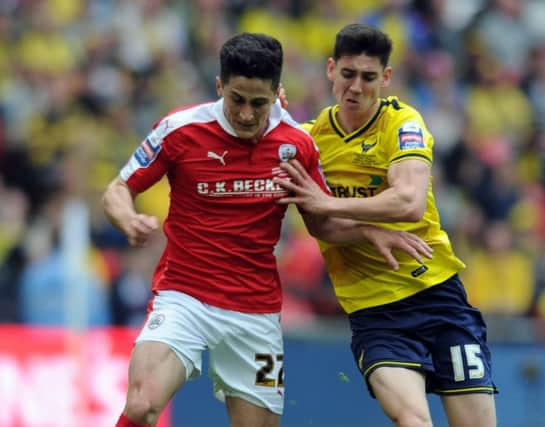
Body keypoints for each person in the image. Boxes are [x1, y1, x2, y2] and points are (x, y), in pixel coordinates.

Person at [103, 32, 431, 427]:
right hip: (183, 297)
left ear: (277, 93)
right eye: (236, 99)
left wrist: (369, 232)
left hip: (254, 313)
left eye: (258, 103)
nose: (245, 114)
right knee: (141, 405)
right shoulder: (180, 130)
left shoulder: (296, 145)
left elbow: (322, 222)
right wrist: (128, 218)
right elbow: (119, 189)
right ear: (220, 85)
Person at [275, 23, 498, 427]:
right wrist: (367, 229)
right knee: (414, 421)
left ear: (386, 78)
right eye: (347, 74)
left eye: (368, 77)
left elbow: (410, 202)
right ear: (330, 70)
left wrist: (327, 201)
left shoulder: (402, 123)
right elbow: (320, 227)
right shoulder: (309, 140)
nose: (356, 87)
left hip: (437, 294)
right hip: (374, 312)